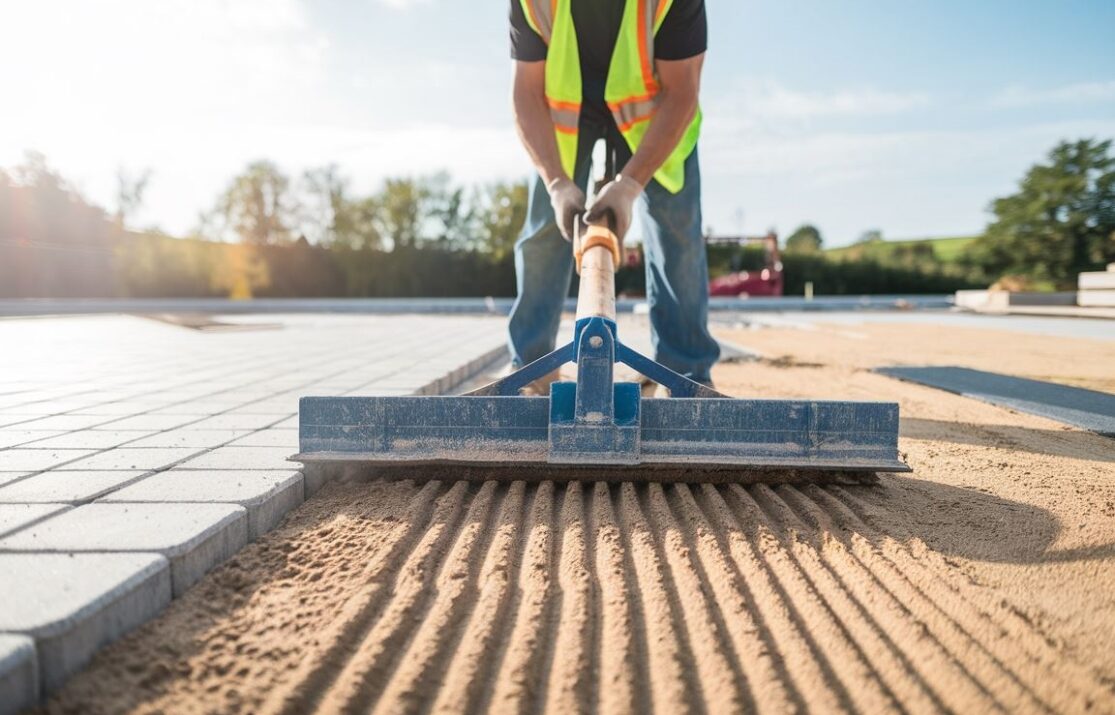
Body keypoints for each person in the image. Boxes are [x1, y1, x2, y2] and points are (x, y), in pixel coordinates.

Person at [507, 0, 720, 392]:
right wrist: (556, 183)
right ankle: (531, 368)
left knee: (677, 233)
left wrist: (630, 185)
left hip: (653, 108)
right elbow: (525, 91)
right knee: (544, 228)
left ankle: (685, 372)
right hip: (568, 112)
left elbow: (683, 92)